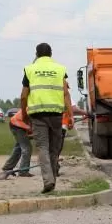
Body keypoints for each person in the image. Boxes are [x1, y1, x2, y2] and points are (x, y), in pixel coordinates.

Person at [20, 42, 70, 193]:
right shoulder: (59, 69)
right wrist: (70, 115)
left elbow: (23, 96)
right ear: (51, 53)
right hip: (56, 114)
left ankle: (48, 180)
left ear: (36, 54)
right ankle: (52, 179)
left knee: (42, 147)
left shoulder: (30, 69)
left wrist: (24, 114)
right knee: (54, 149)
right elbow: (66, 93)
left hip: (38, 114)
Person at [0, 109, 34, 177]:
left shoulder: (34, 106)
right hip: (18, 125)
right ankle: (23, 171)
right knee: (27, 148)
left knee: (19, 147)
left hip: (15, 124)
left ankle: (8, 167)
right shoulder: (37, 110)